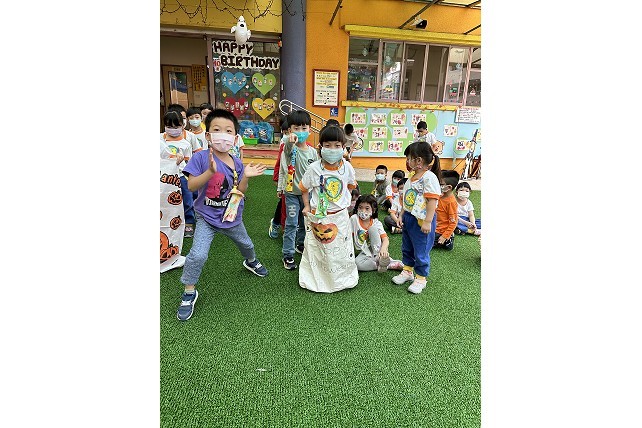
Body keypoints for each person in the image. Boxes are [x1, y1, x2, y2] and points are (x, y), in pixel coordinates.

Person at [176, 109, 268, 321]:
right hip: (206, 218)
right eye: (217, 130)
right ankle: (189, 291)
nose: (223, 135)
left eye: (228, 131)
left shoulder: (236, 163)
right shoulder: (200, 158)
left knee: (247, 244)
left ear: (235, 138)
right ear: (208, 135)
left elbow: (240, 191)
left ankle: (251, 261)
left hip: (231, 217)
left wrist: (246, 176)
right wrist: (209, 172)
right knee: (198, 255)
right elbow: (191, 186)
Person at [299, 125, 359, 293]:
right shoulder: (314, 168)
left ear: (343, 147)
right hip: (320, 216)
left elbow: (350, 186)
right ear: (321, 146)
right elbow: (304, 188)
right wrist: (307, 206)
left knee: (340, 250)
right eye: (328, 145)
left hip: (340, 216)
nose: (332, 149)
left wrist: (344, 202)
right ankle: (321, 279)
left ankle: (340, 279)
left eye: (337, 145)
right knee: (321, 250)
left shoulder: (347, 167)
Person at [391, 141, 442, 294]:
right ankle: (407, 271)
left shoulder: (429, 177)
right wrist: (401, 214)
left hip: (422, 221)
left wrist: (427, 222)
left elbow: (432, 200)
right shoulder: (412, 176)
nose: (407, 162)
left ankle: (420, 278)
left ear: (418, 160)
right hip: (409, 218)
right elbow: (407, 199)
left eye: (409, 158)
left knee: (421, 249)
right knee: (407, 246)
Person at [277, 110, 319, 270]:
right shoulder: (289, 148)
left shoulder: (313, 152)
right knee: (292, 223)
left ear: (309, 130)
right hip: (292, 194)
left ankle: (300, 244)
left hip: (307, 195)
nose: (300, 132)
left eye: (304, 128)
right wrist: (290, 141)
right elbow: (287, 148)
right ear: (290, 130)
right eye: (296, 128)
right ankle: (287, 254)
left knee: (304, 222)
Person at [161, 111, 196, 238]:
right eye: (169, 126)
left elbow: (189, 162)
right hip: (164, 176)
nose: (173, 130)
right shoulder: (160, 139)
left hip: (181, 175)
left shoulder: (185, 144)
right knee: (165, 199)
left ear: (182, 125)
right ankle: (166, 221)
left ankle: (189, 222)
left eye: (176, 127)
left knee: (187, 199)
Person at [350, 194, 403, 272]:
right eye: (360, 207)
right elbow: (348, 237)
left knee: (372, 228)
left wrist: (383, 249)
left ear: (373, 210)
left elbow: (385, 239)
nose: (363, 211)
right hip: (364, 252)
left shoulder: (376, 223)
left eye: (367, 208)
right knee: (357, 264)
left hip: (377, 250)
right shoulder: (354, 219)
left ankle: (379, 258)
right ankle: (389, 264)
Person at [268, 115, 289, 238]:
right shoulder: (284, 144)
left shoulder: (307, 147)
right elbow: (279, 163)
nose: (286, 135)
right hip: (286, 181)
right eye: (285, 132)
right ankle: (276, 223)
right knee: (282, 203)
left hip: (298, 182)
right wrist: (277, 179)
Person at [433, 170, 460, 251]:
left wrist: (444, 236)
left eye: (440, 184)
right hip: (433, 225)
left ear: (448, 187)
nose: (437, 185)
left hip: (440, 231)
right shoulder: (439, 195)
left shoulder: (451, 202)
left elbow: (453, 222)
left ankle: (448, 239)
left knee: (425, 244)